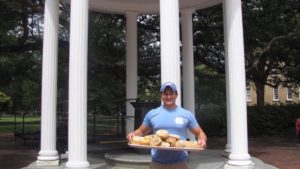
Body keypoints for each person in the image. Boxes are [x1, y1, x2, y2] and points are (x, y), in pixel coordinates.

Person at [127, 82, 207, 169]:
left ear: (176, 95)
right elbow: (141, 131)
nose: (168, 97)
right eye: (165, 94)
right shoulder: (152, 114)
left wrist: (202, 140)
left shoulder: (186, 114)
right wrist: (133, 134)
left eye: (171, 94)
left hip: (180, 164)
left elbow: (200, 133)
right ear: (161, 95)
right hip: (157, 164)